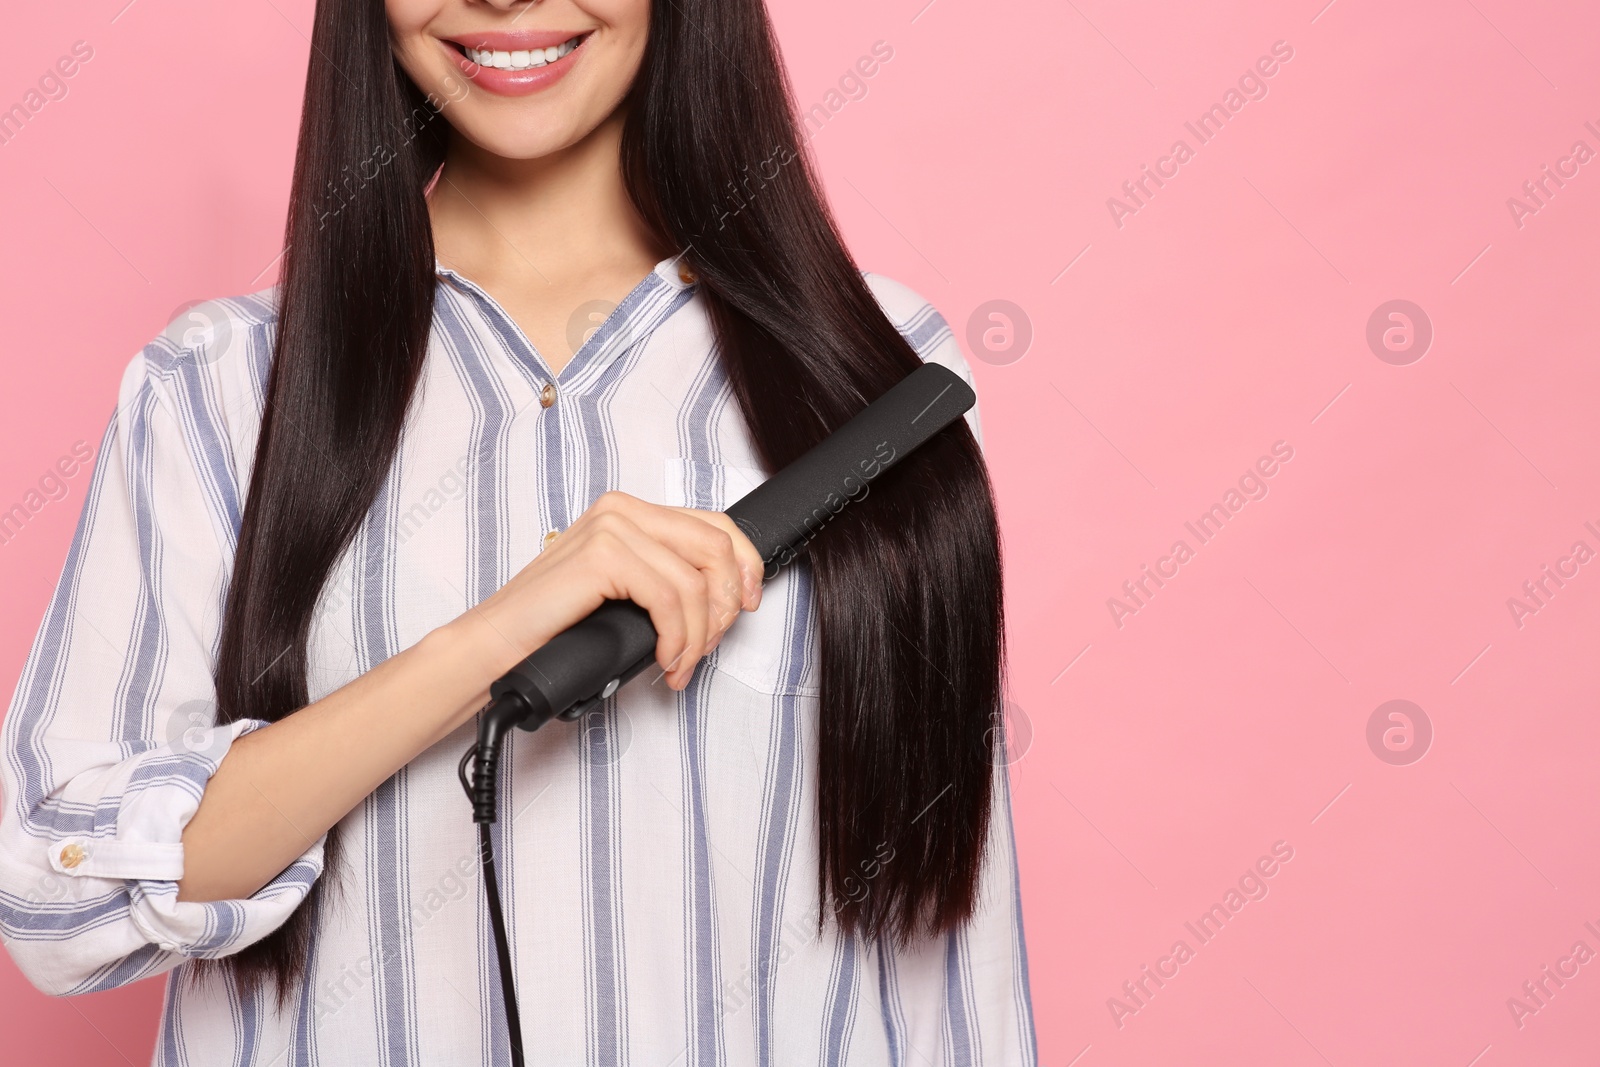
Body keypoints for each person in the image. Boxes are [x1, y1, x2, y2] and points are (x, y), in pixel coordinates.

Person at [0, 0, 1037, 1062]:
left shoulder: (869, 372)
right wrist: (498, 633)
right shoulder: (218, 389)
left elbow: (951, 942)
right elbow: (57, 893)